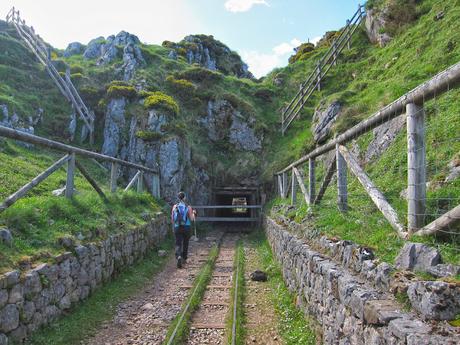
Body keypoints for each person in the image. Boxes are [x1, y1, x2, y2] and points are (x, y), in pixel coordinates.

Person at [171, 191, 195, 268]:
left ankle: (178, 256)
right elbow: (191, 219)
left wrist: (174, 227)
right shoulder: (188, 207)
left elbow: (172, 219)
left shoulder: (175, 206)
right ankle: (184, 258)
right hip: (186, 227)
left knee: (178, 243)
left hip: (177, 227)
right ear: (184, 198)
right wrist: (194, 213)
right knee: (185, 243)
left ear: (178, 198)